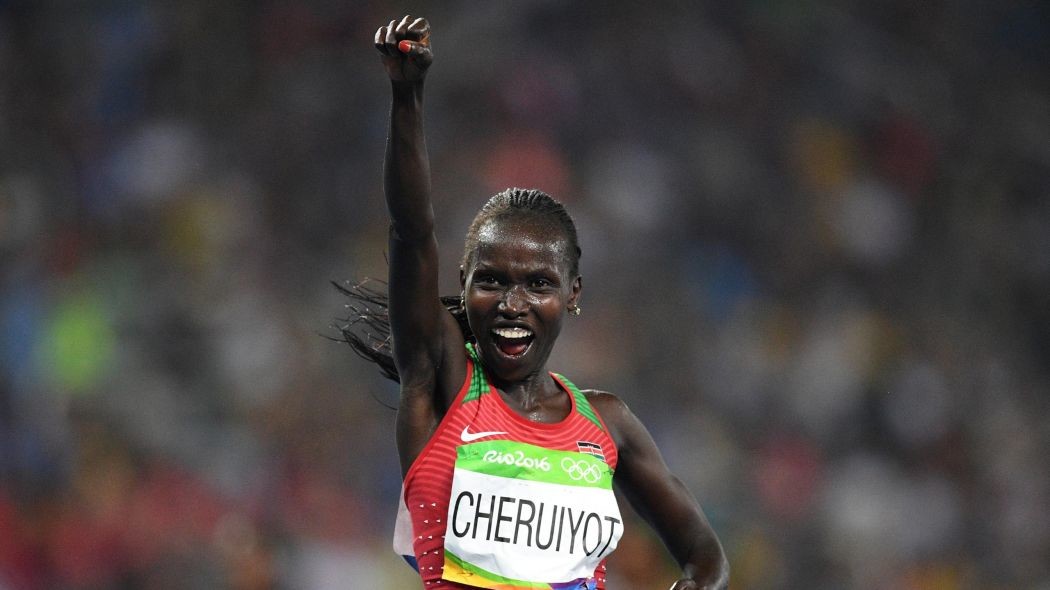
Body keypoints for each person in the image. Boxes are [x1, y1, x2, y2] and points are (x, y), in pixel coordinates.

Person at [343, 14, 729, 590]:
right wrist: (407, 96)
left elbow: (706, 556)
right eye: (491, 281)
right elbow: (411, 231)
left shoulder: (608, 423)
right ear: (463, 284)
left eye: (539, 285)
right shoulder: (440, 383)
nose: (512, 303)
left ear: (573, 294)